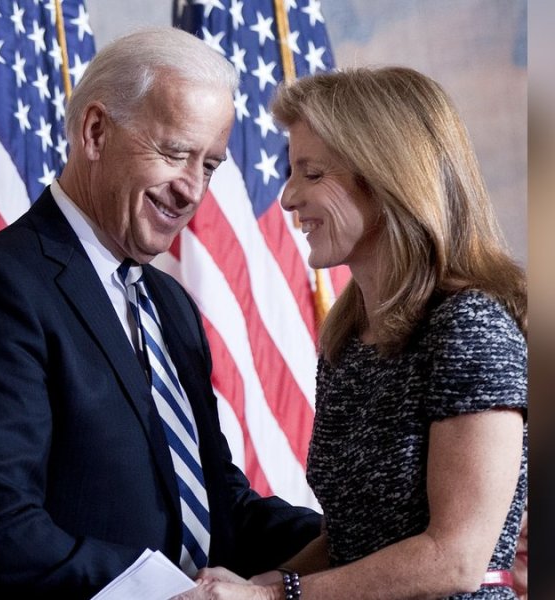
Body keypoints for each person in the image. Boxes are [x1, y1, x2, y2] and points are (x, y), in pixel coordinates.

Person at [0, 27, 321, 599]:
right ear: (96, 132)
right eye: (175, 152)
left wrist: (367, 542)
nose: (191, 191)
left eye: (208, 165)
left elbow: (216, 501)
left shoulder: (170, 304)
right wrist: (178, 594)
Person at [176, 66, 527, 600]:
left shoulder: (469, 327)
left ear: (389, 179)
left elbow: (455, 558)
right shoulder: (346, 339)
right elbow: (350, 540)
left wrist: (274, 598)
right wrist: (259, 582)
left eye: (312, 174)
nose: (289, 197)